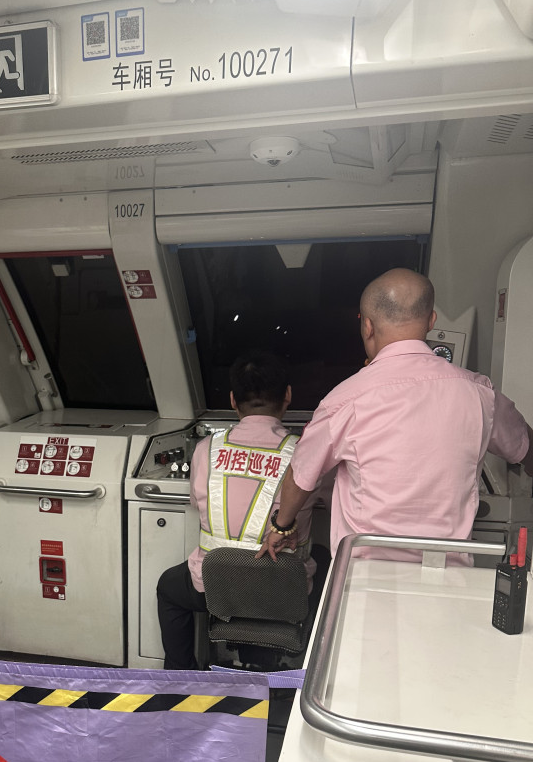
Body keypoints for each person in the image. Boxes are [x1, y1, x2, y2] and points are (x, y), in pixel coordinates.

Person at [258, 268, 533, 564]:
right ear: (431, 321)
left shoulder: (345, 399)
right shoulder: (480, 394)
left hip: (364, 577)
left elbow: (301, 477)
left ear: (367, 326)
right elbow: (525, 447)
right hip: (448, 578)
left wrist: (282, 526)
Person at [157, 353, 317, 670]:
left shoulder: (207, 449)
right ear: (287, 395)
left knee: (169, 588)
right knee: (324, 562)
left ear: (232, 400)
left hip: (214, 585)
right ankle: (307, 677)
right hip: (281, 589)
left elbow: (197, 504)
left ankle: (180, 677)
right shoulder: (304, 453)